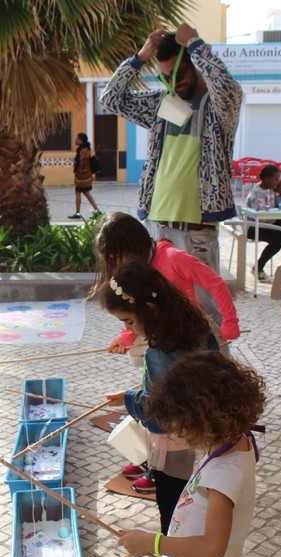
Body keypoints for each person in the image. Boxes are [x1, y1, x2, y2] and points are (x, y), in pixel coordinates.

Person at [100, 25, 242, 332]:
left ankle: (216, 363)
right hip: (158, 227)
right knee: (160, 311)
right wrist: (141, 57)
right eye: (166, 77)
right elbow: (111, 99)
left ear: (195, 65)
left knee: (206, 313)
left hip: (195, 231)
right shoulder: (165, 104)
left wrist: (195, 44)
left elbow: (226, 85)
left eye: (179, 75)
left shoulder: (219, 108)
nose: (174, 84)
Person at [91, 212, 241, 492]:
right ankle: (152, 460)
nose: (117, 265)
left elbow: (215, 282)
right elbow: (138, 314)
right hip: (160, 341)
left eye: (118, 257)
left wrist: (230, 321)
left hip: (184, 342)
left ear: (133, 246)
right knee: (152, 391)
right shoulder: (138, 275)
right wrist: (127, 335)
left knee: (166, 407)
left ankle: (164, 469)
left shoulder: (172, 258)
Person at [100, 260, 218, 557]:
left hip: (173, 439)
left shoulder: (160, 349)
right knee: (181, 504)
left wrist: (131, 399)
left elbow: (159, 411)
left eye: (129, 321)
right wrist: (133, 393)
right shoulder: (191, 325)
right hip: (196, 431)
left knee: (171, 509)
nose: (130, 329)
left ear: (149, 309)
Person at [118, 351, 266, 557]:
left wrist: (153, 543)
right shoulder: (235, 441)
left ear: (203, 422)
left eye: (179, 425)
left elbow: (212, 547)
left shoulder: (224, 475)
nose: (175, 432)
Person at [246, 164, 281, 281]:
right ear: (266, 179)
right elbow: (261, 216)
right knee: (278, 241)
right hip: (255, 227)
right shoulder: (257, 194)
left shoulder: (270, 189)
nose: (278, 182)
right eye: (276, 179)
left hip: (268, 224)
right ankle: (258, 268)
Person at [70, 132, 101, 219]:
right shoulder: (86, 149)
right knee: (86, 193)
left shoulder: (82, 150)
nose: (75, 140)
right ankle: (97, 211)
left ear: (81, 140)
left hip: (82, 176)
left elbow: (82, 163)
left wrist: (74, 162)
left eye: (77, 139)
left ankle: (78, 213)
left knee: (79, 193)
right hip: (86, 175)